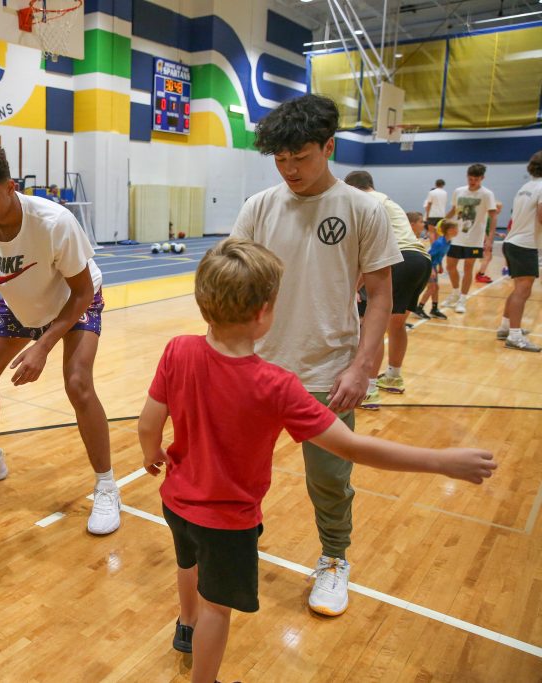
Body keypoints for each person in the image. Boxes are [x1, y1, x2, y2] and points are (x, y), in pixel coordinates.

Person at [138, 238, 496, 683]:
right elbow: (352, 448)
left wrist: (151, 453)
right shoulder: (277, 385)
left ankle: (185, 627)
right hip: (228, 522)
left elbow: (149, 420)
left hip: (175, 501)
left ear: (203, 303)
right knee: (219, 608)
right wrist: (441, 461)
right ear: (264, 312)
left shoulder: (178, 350)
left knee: (187, 564)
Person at [230, 94, 401, 616]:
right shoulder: (259, 206)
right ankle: (238, 541)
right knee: (239, 468)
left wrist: (362, 367)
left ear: (329, 146)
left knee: (329, 478)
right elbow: (233, 282)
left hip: (328, 372)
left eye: (300, 157)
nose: (290, 170)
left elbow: (381, 296)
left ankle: (332, 558)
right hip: (257, 368)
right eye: (280, 160)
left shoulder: (363, 208)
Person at [0, 144, 120, 535]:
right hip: (20, 301)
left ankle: (106, 486)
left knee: (78, 384)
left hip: (72, 301)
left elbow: (81, 295)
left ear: (11, 186)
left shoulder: (54, 221)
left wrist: (43, 345)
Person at [343, 171, 431, 398]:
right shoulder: (387, 200)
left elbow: (369, 252)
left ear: (353, 188)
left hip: (398, 259)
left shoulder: (364, 201)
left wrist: (353, 286)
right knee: (397, 324)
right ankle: (393, 375)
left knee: (373, 323)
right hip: (420, 260)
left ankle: (369, 388)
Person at [496, 151, 542, 352]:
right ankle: (514, 336)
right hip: (524, 244)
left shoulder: (525, 187)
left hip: (513, 241)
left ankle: (505, 327)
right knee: (523, 290)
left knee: (519, 289)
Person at [442, 164, 498, 314]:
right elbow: (454, 210)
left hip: (474, 238)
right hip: (457, 237)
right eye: (470, 178)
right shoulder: (459, 191)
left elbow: (493, 216)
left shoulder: (487, 194)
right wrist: (441, 222)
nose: (472, 181)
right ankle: (454, 294)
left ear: (482, 178)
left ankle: (462, 298)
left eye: (476, 179)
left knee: (468, 268)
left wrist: (490, 238)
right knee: (450, 266)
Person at [416, 220, 460, 321]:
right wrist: (431, 269)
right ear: (449, 231)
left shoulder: (448, 241)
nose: (457, 231)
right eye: (455, 229)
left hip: (433, 266)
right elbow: (428, 255)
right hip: (427, 265)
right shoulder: (439, 243)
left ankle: (434, 309)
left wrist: (440, 265)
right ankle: (419, 308)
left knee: (436, 288)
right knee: (432, 288)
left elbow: (438, 255)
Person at [476, 200, 503, 284]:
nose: (500, 211)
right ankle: (480, 275)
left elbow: (489, 230)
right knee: (487, 257)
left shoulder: (490, 217)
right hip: (484, 240)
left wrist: (498, 234)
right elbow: (482, 230)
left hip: (485, 240)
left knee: (488, 257)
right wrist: (487, 241)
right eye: (499, 208)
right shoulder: (488, 217)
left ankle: (481, 273)